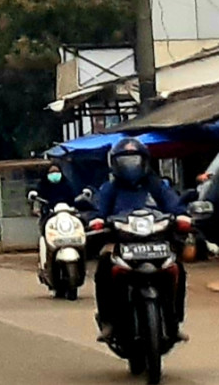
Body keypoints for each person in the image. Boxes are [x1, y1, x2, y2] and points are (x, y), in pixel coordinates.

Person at [89, 138, 185, 342]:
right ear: (115, 164)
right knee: (104, 267)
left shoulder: (155, 185)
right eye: (125, 161)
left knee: (178, 268)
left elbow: (173, 204)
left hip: (157, 241)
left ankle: (174, 320)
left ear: (145, 162)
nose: (130, 166)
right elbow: (99, 210)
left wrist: (182, 216)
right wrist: (97, 220)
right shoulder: (110, 188)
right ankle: (108, 321)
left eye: (135, 161)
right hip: (120, 242)